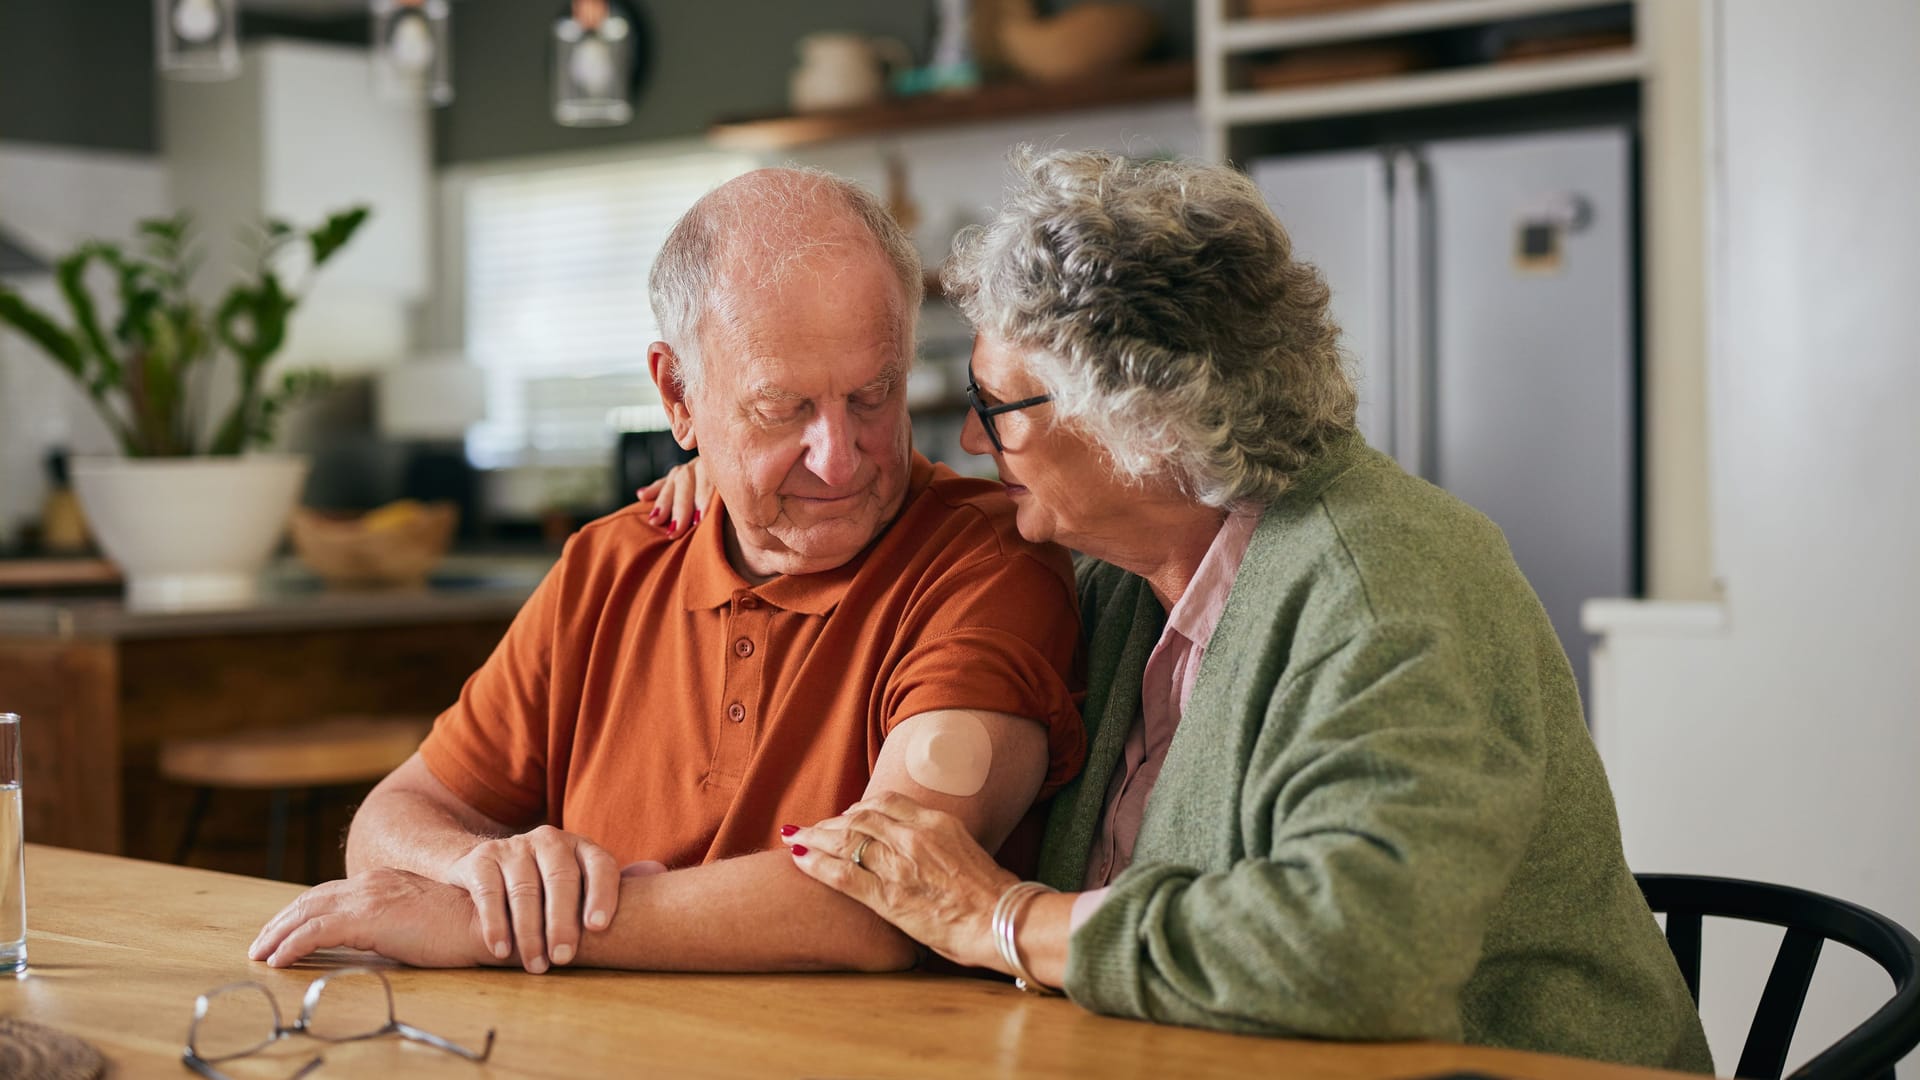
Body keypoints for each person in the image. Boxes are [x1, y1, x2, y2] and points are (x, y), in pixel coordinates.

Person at [648, 149, 1713, 1071]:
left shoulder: (1391, 584)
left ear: (1140, 418)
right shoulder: (1123, 575)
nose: (972, 445)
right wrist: (729, 472)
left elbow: (1360, 959)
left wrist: (1012, 920)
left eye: (996, 410)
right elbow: (908, 534)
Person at [246, 167, 1086, 976]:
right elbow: (394, 821)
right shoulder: (610, 564)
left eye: (873, 395)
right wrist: (487, 872)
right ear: (677, 396)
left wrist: (499, 926)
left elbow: (888, 899)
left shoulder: (991, 560)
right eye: (782, 407)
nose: (840, 460)